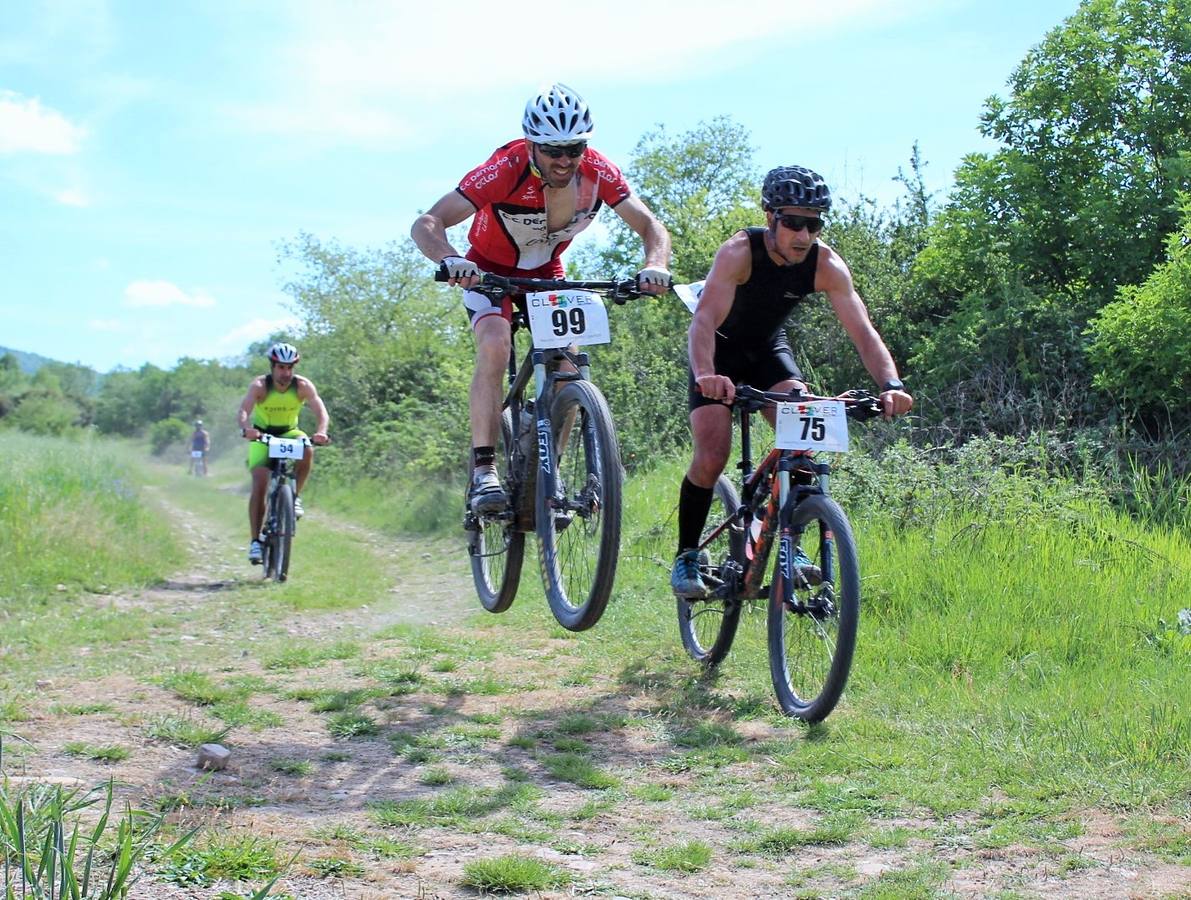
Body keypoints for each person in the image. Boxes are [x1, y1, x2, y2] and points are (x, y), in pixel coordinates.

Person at [411, 82, 672, 515]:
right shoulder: (504, 168)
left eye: (574, 148)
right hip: (488, 273)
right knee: (495, 345)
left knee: (569, 367)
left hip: (548, 273)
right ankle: (484, 471)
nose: (565, 161)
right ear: (533, 144)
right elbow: (428, 222)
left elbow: (651, 227)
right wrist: (451, 259)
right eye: (554, 151)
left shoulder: (598, 172)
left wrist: (656, 264)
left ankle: (549, 479)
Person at [671, 165, 914, 598]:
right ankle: (687, 554)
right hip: (718, 350)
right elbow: (703, 320)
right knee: (712, 454)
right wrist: (707, 375)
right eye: (793, 222)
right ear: (770, 218)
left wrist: (891, 384)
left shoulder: (827, 265)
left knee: (800, 434)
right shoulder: (738, 252)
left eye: (813, 224)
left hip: (767, 351)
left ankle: (789, 543)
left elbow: (863, 332)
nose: (803, 235)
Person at [236, 342, 330, 565]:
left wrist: (321, 432)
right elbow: (244, 409)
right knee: (259, 483)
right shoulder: (260, 385)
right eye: (281, 367)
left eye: (290, 368)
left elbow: (320, 411)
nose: (285, 373)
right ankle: (255, 542)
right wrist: (246, 428)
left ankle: (294, 496)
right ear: (272, 366)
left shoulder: (302, 386)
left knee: (306, 447)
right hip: (263, 436)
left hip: (289, 433)